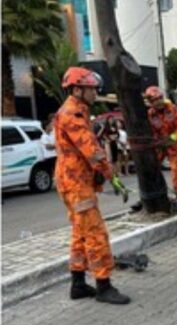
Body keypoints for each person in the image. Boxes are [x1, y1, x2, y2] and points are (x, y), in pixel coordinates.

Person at [54, 66, 130, 304]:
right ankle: (104, 285)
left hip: (74, 181)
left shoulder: (79, 111)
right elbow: (92, 152)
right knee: (96, 233)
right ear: (77, 89)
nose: (95, 93)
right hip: (76, 184)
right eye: (91, 89)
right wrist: (111, 174)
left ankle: (77, 284)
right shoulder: (72, 114)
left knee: (80, 233)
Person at [144, 86, 177, 213]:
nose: (159, 102)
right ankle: (150, 196)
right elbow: (151, 131)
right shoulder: (150, 113)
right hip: (159, 145)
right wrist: (156, 141)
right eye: (155, 100)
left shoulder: (172, 109)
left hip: (173, 145)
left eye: (160, 98)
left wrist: (173, 137)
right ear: (151, 102)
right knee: (151, 169)